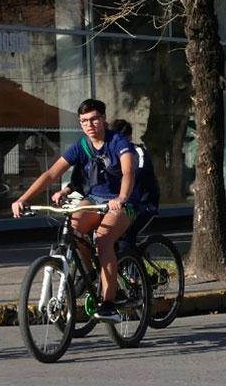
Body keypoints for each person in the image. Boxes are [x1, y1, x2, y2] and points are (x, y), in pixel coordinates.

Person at [11, 99, 136, 322]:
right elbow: (51, 174)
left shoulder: (117, 142)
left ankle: (109, 303)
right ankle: (88, 274)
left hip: (122, 203)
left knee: (103, 239)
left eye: (94, 119)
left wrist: (122, 197)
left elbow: (128, 172)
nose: (89, 124)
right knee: (73, 229)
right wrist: (23, 199)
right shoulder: (81, 146)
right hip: (94, 199)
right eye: (84, 121)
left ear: (103, 119)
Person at [108, 119, 160, 253]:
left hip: (144, 202)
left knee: (127, 235)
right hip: (122, 203)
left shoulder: (138, 152)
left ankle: (135, 273)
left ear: (129, 137)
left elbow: (139, 173)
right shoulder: (109, 153)